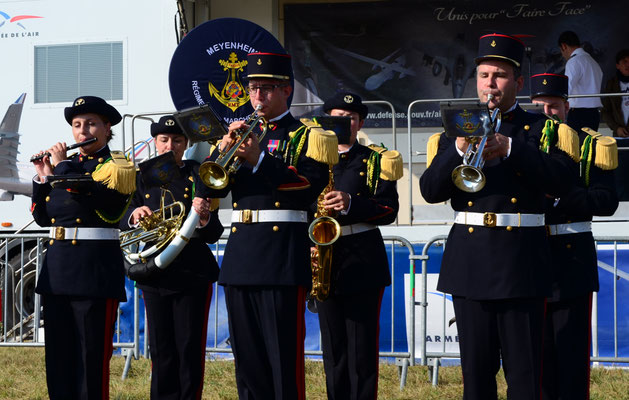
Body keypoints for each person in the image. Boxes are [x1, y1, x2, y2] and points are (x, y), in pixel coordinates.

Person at [420, 34, 578, 400]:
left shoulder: (542, 129)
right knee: (476, 376)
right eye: (484, 75)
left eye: (500, 75)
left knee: (525, 375)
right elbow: (430, 190)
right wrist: (458, 148)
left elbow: (562, 182)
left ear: (518, 83)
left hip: (522, 262)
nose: (490, 84)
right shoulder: (455, 126)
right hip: (471, 263)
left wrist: (510, 149)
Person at [197, 52, 330, 399]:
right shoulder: (239, 133)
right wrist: (219, 153)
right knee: (248, 364)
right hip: (242, 257)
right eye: (253, 89)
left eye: (267, 89)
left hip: (281, 258)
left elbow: (306, 186)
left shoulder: (308, 136)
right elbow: (210, 187)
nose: (258, 97)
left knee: (283, 361)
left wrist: (259, 160)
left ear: (286, 91)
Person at [31, 96, 135, 399]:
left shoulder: (117, 166)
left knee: (91, 363)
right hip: (58, 273)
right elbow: (43, 217)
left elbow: (100, 200)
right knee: (59, 362)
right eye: (77, 125)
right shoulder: (67, 168)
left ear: (107, 128)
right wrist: (43, 177)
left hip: (94, 275)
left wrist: (59, 168)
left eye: (90, 123)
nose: (82, 131)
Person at [120, 115, 223, 400]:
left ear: (186, 143)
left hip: (192, 274)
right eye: (164, 140)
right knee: (161, 348)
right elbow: (122, 216)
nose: (170, 145)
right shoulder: (140, 176)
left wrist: (202, 218)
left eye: (177, 140)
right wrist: (134, 216)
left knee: (189, 348)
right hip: (155, 273)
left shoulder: (200, 173)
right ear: (155, 142)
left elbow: (214, 232)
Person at [530, 73, 619, 399]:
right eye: (539, 106)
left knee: (570, 358)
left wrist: (559, 197)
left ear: (567, 107)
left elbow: (607, 202)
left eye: (553, 106)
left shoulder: (591, 144)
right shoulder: (520, 146)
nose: (547, 113)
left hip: (572, 261)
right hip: (526, 260)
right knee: (533, 360)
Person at [314, 92, 401, 399]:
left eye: (350, 118)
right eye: (337, 116)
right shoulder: (310, 160)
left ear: (360, 123)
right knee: (333, 350)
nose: (344, 123)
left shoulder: (376, 159)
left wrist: (351, 203)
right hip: (324, 259)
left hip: (363, 259)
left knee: (362, 350)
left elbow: (390, 209)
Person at [558, 30, 604, 132]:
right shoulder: (593, 62)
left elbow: (567, 88)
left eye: (561, 51)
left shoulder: (574, 61)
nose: (562, 55)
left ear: (564, 46)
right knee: (590, 146)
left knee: (576, 147)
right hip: (594, 113)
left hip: (579, 114)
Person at [601, 48, 629, 138]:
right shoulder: (611, 84)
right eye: (624, 61)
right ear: (617, 65)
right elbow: (605, 111)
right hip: (619, 135)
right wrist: (616, 128)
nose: (628, 64)